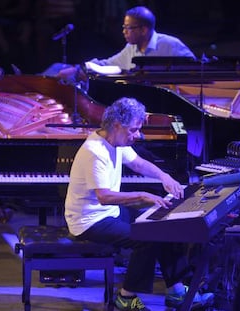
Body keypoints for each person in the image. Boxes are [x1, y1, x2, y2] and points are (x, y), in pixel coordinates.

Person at [64, 97, 214, 311]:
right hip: (88, 221)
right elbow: (104, 197)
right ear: (117, 125)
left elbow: (138, 163)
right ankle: (126, 297)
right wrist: (143, 195)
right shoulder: (95, 152)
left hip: (108, 213)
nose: (137, 136)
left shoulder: (115, 140)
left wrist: (165, 177)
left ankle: (177, 291)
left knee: (163, 223)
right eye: (133, 130)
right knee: (146, 239)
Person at [57, 5, 195, 79]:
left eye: (128, 28)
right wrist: (77, 69)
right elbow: (106, 64)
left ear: (144, 30)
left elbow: (196, 69)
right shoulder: (131, 48)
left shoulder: (170, 45)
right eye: (124, 27)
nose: (124, 32)